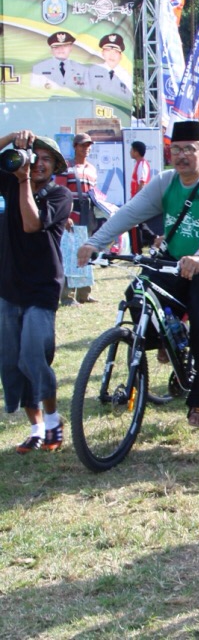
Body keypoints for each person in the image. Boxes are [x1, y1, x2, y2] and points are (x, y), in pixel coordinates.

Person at [78, 120, 199, 428]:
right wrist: (94, 242)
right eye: (175, 149)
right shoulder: (166, 181)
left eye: (189, 150)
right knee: (136, 296)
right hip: (174, 260)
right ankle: (168, 342)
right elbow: (130, 212)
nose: (181, 156)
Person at [0, 130, 73, 452]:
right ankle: (36, 428)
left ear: (55, 165)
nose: (38, 164)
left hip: (43, 287)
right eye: (34, 157)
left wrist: (23, 181)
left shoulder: (59, 196)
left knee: (33, 357)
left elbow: (31, 224)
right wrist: (10, 138)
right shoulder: (11, 180)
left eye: (46, 159)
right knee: (12, 361)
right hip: (8, 285)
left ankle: (54, 422)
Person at [58, 132, 100, 305]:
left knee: (87, 254)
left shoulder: (92, 169)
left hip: (88, 217)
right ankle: (68, 296)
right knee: (71, 256)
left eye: (89, 145)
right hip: (72, 217)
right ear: (75, 147)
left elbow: (95, 194)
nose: (86, 148)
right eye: (83, 145)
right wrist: (65, 216)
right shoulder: (66, 168)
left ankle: (84, 294)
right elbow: (60, 194)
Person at [127, 140, 161, 252]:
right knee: (140, 225)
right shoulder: (139, 164)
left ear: (136, 152)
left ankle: (144, 246)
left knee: (135, 225)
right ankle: (152, 243)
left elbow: (142, 183)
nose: (130, 152)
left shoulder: (142, 164)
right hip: (138, 199)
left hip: (139, 199)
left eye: (132, 150)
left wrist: (137, 199)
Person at [87, 33, 132, 104]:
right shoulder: (93, 71)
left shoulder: (125, 76)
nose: (112, 55)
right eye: (108, 51)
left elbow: (128, 100)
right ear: (103, 53)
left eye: (116, 52)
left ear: (120, 56)